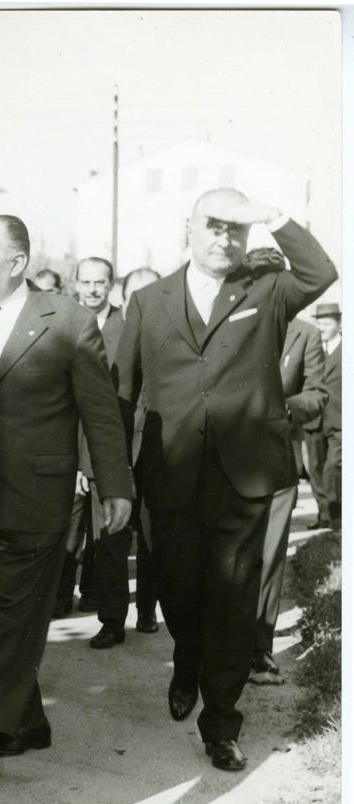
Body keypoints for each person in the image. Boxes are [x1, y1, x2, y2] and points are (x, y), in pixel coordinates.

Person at [114, 188, 337, 772]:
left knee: (234, 602)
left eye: (235, 230)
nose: (225, 239)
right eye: (213, 226)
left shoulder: (267, 291)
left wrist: (273, 215)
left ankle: (221, 723)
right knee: (177, 590)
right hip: (169, 471)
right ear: (187, 230)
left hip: (245, 474)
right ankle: (187, 657)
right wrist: (113, 472)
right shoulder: (147, 300)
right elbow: (123, 391)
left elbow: (321, 271)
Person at [0, 216, 131, 776]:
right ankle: (27, 718)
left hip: (34, 496)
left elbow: (101, 415)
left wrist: (114, 485)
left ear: (17, 263)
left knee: (6, 613)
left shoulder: (69, 323)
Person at [252, 277, 326, 683]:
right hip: (223, 459)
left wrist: (284, 407)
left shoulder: (307, 333)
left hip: (277, 460)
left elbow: (318, 394)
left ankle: (259, 648)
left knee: (268, 555)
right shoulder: (232, 323)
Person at [69, 257, 143, 648]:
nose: (93, 289)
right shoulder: (65, 322)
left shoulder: (127, 327)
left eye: (101, 282)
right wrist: (82, 461)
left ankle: (128, 615)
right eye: (86, 282)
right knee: (105, 536)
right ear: (76, 283)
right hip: (86, 449)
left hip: (130, 444)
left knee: (120, 536)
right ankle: (110, 618)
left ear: (111, 285)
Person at [119, 267, 162, 628]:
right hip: (124, 448)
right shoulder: (120, 333)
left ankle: (145, 608)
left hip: (158, 453)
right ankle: (111, 617)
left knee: (151, 535)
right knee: (117, 535)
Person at [306, 303, 342, 530]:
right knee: (316, 468)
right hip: (313, 418)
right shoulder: (312, 348)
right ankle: (323, 515)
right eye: (319, 323)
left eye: (327, 323)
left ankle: (336, 514)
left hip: (340, 419)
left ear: (339, 324)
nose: (322, 328)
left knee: (334, 466)